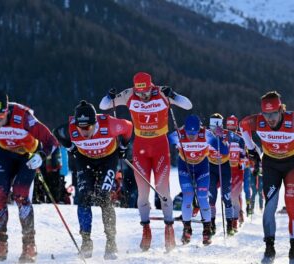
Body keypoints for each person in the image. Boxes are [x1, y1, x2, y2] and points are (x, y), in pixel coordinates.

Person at [99, 72, 192, 252]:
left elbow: (188, 105)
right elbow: (103, 106)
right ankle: (146, 229)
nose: (143, 96)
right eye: (139, 93)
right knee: (143, 192)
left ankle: (169, 228)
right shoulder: (128, 94)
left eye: (146, 92)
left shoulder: (162, 93)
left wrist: (174, 95)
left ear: (151, 86)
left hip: (160, 147)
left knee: (163, 190)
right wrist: (108, 96)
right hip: (140, 147)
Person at [0, 90, 58, 263]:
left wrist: (42, 156)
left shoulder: (23, 117)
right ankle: (0, 243)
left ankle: (29, 244)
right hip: (4, 153)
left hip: (27, 154)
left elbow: (51, 141)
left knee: (20, 195)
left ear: (6, 113)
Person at [53, 100, 133, 260]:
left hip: (108, 160)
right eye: (80, 128)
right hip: (85, 160)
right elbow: (56, 132)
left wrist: (123, 147)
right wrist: (70, 147)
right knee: (83, 198)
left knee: (104, 197)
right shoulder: (70, 128)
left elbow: (129, 127)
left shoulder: (109, 124)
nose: (83, 132)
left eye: (87, 128)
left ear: (94, 123)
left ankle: (111, 243)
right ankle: (86, 242)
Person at [239, 91, 294, 264]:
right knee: (270, 205)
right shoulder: (258, 121)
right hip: (270, 165)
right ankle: (269, 245)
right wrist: (251, 149)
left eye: (273, 113)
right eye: (266, 114)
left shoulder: (292, 121)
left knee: (292, 204)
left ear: (281, 110)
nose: (269, 118)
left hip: (292, 164)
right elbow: (242, 126)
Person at [169, 114, 227, 245]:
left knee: (202, 197)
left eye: (194, 133)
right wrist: (174, 134)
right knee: (188, 196)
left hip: (202, 168)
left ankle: (207, 230)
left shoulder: (206, 135)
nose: (191, 136)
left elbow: (223, 150)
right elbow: (164, 141)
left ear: (199, 129)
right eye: (189, 133)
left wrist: (219, 136)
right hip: (185, 168)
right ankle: (187, 229)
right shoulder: (179, 134)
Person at [225, 115, 246, 232]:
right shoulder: (225, 136)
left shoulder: (240, 137)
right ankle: (234, 216)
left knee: (236, 194)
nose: (231, 131)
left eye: (233, 128)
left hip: (238, 169)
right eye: (229, 128)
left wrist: (242, 160)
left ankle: (236, 218)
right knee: (229, 194)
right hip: (227, 168)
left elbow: (244, 153)